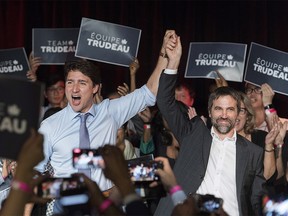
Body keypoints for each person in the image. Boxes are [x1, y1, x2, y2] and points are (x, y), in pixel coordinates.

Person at [34, 30, 178, 214]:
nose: (74, 88)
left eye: (82, 83)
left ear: (95, 88)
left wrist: (164, 54)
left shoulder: (110, 111)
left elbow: (148, 93)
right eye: (70, 82)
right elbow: (34, 176)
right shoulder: (49, 126)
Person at [155, 34, 266, 215]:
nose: (224, 115)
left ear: (238, 113)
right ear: (209, 111)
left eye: (230, 109)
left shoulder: (253, 152)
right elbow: (164, 102)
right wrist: (173, 62)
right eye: (218, 109)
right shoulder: (193, 134)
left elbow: (256, 200)